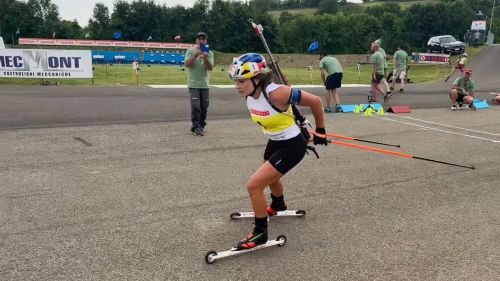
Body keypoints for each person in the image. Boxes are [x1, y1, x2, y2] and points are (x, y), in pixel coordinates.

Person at [227, 53, 327, 250]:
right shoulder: (249, 93)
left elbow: (315, 101)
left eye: (241, 81)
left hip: (292, 145)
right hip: (274, 141)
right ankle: (279, 204)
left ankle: (260, 232)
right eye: (236, 81)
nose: (237, 86)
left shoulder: (276, 93)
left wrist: (321, 131)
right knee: (270, 177)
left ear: (257, 79)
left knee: (254, 186)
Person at [184, 31, 214, 136]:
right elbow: (187, 65)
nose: (201, 40)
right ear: (196, 40)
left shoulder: (209, 53)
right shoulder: (190, 51)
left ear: (206, 41)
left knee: (204, 107)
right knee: (196, 107)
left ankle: (201, 125)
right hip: (193, 84)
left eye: (203, 39)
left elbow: (210, 68)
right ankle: (195, 126)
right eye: (199, 38)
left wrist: (206, 59)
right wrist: (195, 55)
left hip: (204, 85)